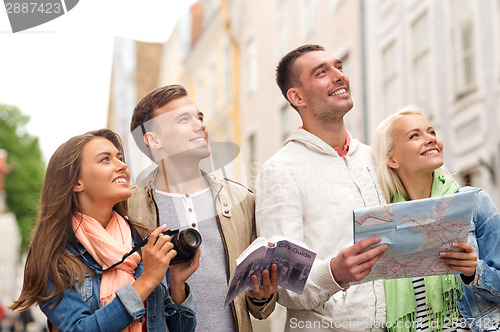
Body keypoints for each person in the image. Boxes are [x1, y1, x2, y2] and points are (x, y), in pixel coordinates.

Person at [255, 43, 389, 331]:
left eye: (339, 67)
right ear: (297, 96)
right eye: (322, 72)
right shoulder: (279, 170)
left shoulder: (374, 157)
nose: (339, 75)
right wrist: (334, 272)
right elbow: (285, 283)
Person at [9, 129, 199, 332]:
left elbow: (179, 329)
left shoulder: (145, 241)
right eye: (105, 160)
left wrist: (177, 284)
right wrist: (147, 281)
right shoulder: (55, 259)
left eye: (119, 158)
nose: (123, 166)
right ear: (76, 182)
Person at [128, 84, 277, 332]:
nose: (200, 125)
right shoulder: (127, 207)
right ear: (153, 140)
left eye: (199, 117)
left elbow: (260, 309)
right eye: (184, 119)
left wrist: (261, 296)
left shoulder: (242, 200)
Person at [372, 106, 500, 332]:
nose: (430, 139)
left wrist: (474, 272)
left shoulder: (475, 203)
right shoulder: (382, 224)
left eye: (431, 132)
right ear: (392, 158)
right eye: (415, 135)